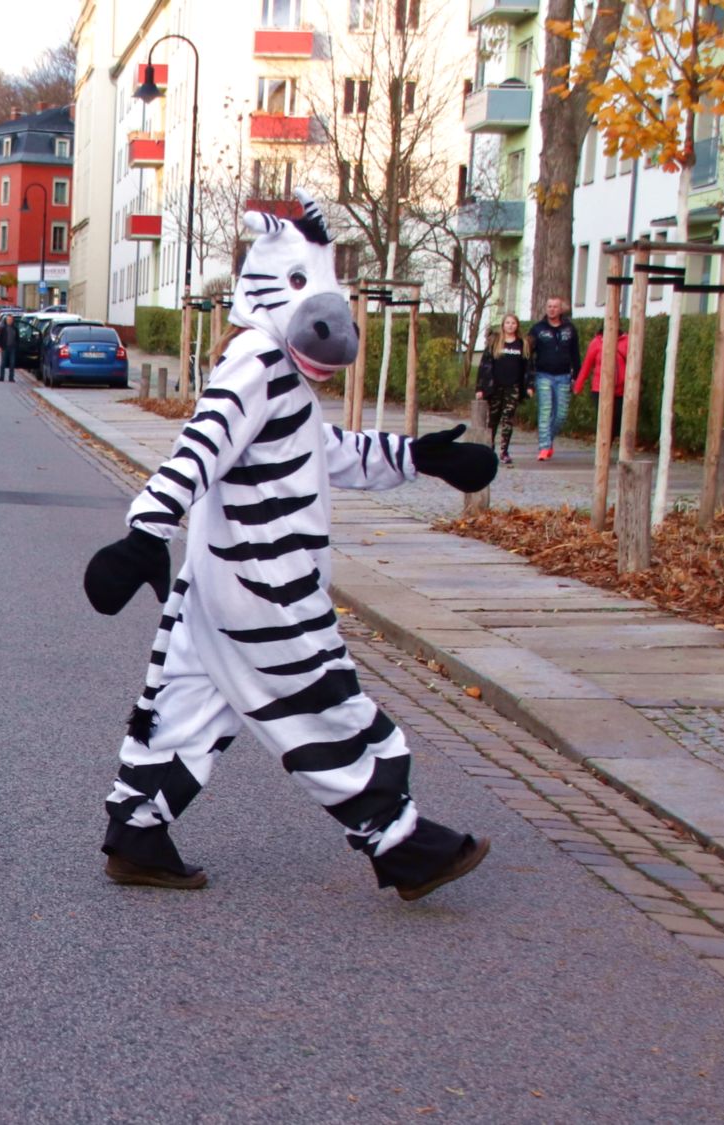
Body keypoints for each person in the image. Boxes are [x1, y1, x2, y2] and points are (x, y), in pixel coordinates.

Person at [81, 191, 495, 901]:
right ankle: (398, 841)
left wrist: (415, 457)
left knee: (184, 704)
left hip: (222, 586)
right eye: (304, 284)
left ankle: (137, 831)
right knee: (320, 702)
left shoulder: (279, 371)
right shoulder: (258, 363)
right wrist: (146, 528)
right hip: (265, 588)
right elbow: (200, 448)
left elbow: (322, 450)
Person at [527, 296, 580, 461]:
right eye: (549, 306)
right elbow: (528, 354)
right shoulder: (537, 329)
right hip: (543, 375)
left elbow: (575, 354)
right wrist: (529, 378)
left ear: (561, 309)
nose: (552, 309)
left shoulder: (569, 329)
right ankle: (544, 447)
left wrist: (577, 376)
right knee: (545, 411)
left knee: (561, 414)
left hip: (564, 376)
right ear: (545, 308)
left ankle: (548, 439)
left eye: (555, 306)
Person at [475, 313, 530, 466]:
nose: (510, 325)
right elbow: (484, 366)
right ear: (503, 325)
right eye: (507, 323)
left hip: (513, 387)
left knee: (508, 419)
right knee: (493, 420)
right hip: (495, 387)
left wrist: (529, 386)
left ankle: (504, 451)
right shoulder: (495, 343)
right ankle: (489, 449)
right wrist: (480, 388)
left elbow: (528, 367)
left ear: (517, 325)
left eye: (513, 323)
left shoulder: (521, 344)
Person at [574, 326, 631, 443]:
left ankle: (609, 443)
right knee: (605, 420)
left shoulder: (627, 341)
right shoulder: (596, 343)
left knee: (618, 420)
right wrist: (578, 386)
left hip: (621, 390)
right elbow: (587, 365)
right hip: (600, 389)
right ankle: (604, 448)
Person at [0, 312, 18, 382]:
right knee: (3, 363)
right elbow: (0, 337)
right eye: (8, 320)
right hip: (4, 347)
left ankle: (11, 378)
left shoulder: (15, 328)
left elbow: (17, 338)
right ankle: (1, 377)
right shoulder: (3, 328)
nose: (9, 321)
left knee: (12, 363)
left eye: (10, 320)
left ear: (12, 320)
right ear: (6, 320)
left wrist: (16, 345)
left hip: (12, 348)